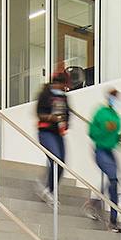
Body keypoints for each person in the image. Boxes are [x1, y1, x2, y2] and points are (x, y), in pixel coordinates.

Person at [87, 87, 121, 233]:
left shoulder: (116, 117)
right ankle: (101, 210)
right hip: (100, 150)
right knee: (113, 179)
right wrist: (105, 129)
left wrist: (118, 138)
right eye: (114, 98)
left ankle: (100, 207)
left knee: (114, 181)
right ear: (109, 98)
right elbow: (91, 132)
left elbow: (113, 137)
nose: (117, 102)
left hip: (110, 150)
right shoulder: (101, 113)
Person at [35, 70, 70, 203]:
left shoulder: (64, 97)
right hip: (46, 131)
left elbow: (67, 113)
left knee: (61, 163)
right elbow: (39, 113)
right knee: (56, 158)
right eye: (63, 86)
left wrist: (65, 123)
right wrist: (52, 117)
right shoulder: (45, 94)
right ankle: (48, 189)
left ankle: (49, 189)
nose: (64, 89)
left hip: (59, 133)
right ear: (57, 84)